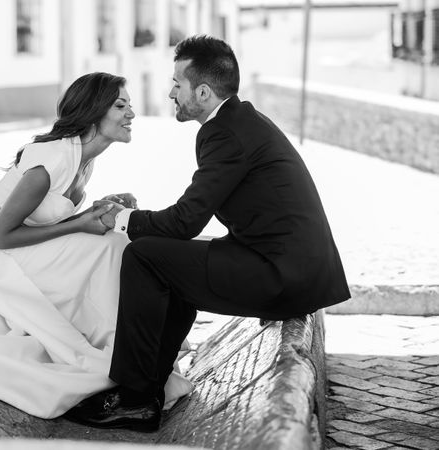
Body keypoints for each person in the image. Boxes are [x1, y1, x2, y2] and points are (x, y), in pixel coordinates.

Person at [64, 35, 350, 432]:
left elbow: (186, 221)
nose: (170, 93)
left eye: (177, 84)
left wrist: (121, 217)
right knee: (161, 256)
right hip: (282, 266)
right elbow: (189, 218)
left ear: (202, 91)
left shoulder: (225, 134)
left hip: (282, 277)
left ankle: (135, 397)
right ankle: (149, 388)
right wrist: (138, 220)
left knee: (144, 256)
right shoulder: (236, 122)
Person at [0, 72, 193, 420]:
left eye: (130, 106)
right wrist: (81, 222)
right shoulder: (53, 160)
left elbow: (47, 220)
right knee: (110, 249)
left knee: (115, 244)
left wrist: (95, 208)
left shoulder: (84, 162)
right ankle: (125, 362)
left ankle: (138, 356)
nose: (131, 115)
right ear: (94, 112)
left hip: (14, 242)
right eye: (121, 106)